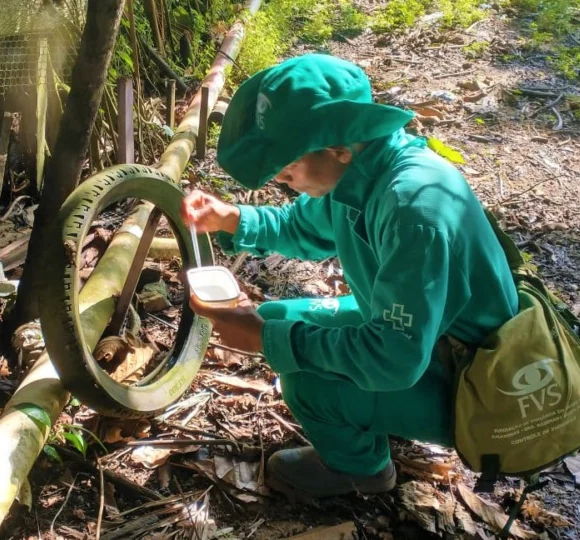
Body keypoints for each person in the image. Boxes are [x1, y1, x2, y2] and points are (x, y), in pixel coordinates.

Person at [181, 53, 519, 498]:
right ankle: (374, 419)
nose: (283, 182)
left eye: (287, 170)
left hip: (478, 383)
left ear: (337, 148)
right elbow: (301, 227)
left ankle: (362, 471)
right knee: (280, 316)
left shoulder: (412, 210)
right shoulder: (361, 170)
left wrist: (266, 340)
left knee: (304, 375)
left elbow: (393, 358)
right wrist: (232, 219)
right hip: (428, 341)